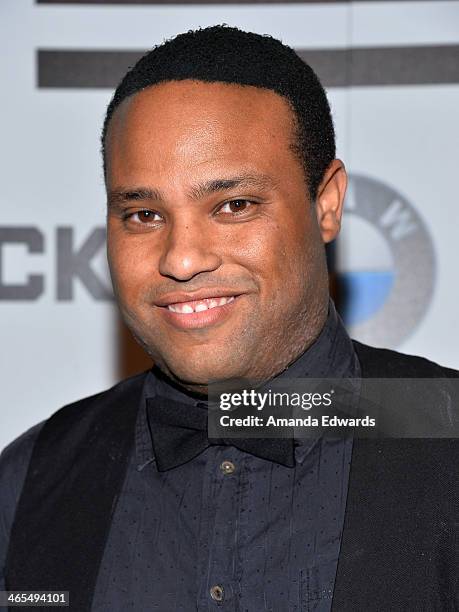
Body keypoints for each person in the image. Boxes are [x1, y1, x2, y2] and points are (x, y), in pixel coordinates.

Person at [1, 25, 458, 612]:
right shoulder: (37, 475)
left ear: (327, 204)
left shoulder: (445, 430)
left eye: (234, 205)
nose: (182, 258)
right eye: (143, 214)